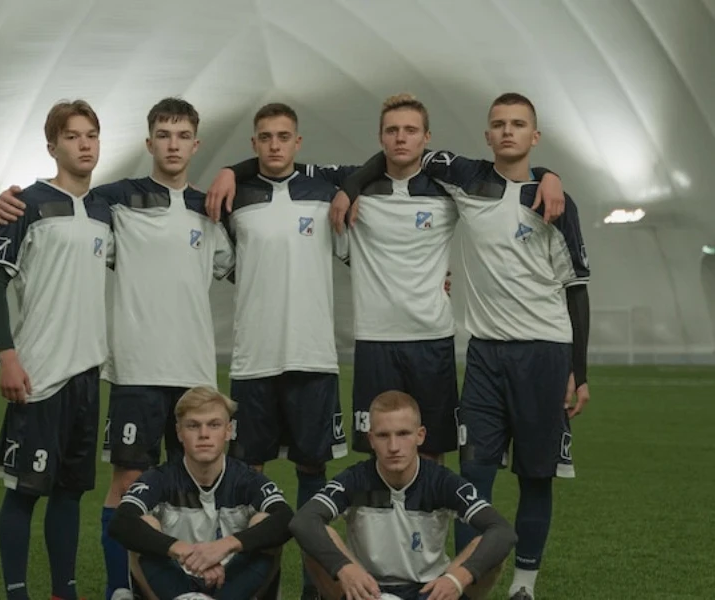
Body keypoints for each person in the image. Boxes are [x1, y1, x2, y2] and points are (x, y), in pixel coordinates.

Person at [205, 94, 565, 466]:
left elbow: (507, 173)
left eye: (410, 131)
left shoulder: (447, 187)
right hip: (374, 341)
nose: (401, 138)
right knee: (378, 451)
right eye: (392, 131)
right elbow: (278, 164)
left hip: (432, 339)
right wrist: (231, 171)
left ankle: (428, 523)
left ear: (427, 139)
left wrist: (549, 176)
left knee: (430, 451)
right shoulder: (342, 181)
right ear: (380, 138)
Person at [340, 93, 591, 600]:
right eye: (498, 124)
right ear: (486, 134)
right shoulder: (461, 174)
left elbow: (576, 289)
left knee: (535, 476)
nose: (507, 132)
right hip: (483, 354)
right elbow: (391, 156)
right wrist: (349, 187)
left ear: (534, 136)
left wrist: (578, 371)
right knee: (470, 480)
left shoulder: (553, 198)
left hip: (545, 354)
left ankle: (523, 585)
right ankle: (457, 584)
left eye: (518, 124)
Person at [0, 97, 235, 600]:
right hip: (130, 370)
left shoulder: (207, 209)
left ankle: (178, 586)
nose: (173, 144)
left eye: (182, 135)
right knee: (126, 485)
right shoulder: (113, 201)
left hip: (192, 375)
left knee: (190, 487)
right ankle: (117, 588)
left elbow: (245, 267)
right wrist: (8, 199)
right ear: (148, 143)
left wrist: (234, 172)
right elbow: (51, 202)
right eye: (163, 135)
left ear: (196, 143)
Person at [206, 102, 349, 599]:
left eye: (283, 136)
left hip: (313, 357)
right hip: (254, 360)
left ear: (298, 142)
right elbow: (220, 263)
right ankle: (256, 587)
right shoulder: (234, 199)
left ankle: (315, 587)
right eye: (264, 137)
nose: (273, 145)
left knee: (314, 473)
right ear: (253, 144)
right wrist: (229, 173)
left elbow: (377, 173)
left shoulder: (327, 191)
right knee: (248, 479)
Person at [0, 100, 113, 600]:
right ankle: (17, 593)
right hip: (39, 375)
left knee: (70, 493)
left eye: (92, 135)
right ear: (52, 145)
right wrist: (8, 356)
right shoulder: (26, 205)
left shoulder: (104, 210)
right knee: (23, 492)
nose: (85, 144)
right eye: (74, 136)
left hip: (87, 373)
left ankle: (66, 592)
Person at [290, 391, 517, 600]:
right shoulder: (354, 480)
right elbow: (303, 521)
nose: (393, 446)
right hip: (367, 588)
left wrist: (455, 579)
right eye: (383, 435)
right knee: (318, 538)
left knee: (489, 548)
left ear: (420, 435)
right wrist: (344, 568)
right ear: (371, 440)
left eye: (403, 434)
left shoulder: (442, 482)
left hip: (430, 590)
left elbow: (503, 531)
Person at [108, 386, 292, 599]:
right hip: (175, 583)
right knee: (144, 525)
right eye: (193, 425)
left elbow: (285, 519)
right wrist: (184, 550)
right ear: (179, 432)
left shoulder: (247, 480)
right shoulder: (159, 479)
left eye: (214, 425)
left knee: (264, 521)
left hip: (232, 585)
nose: (204, 434)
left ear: (228, 430)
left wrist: (223, 547)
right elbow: (121, 522)